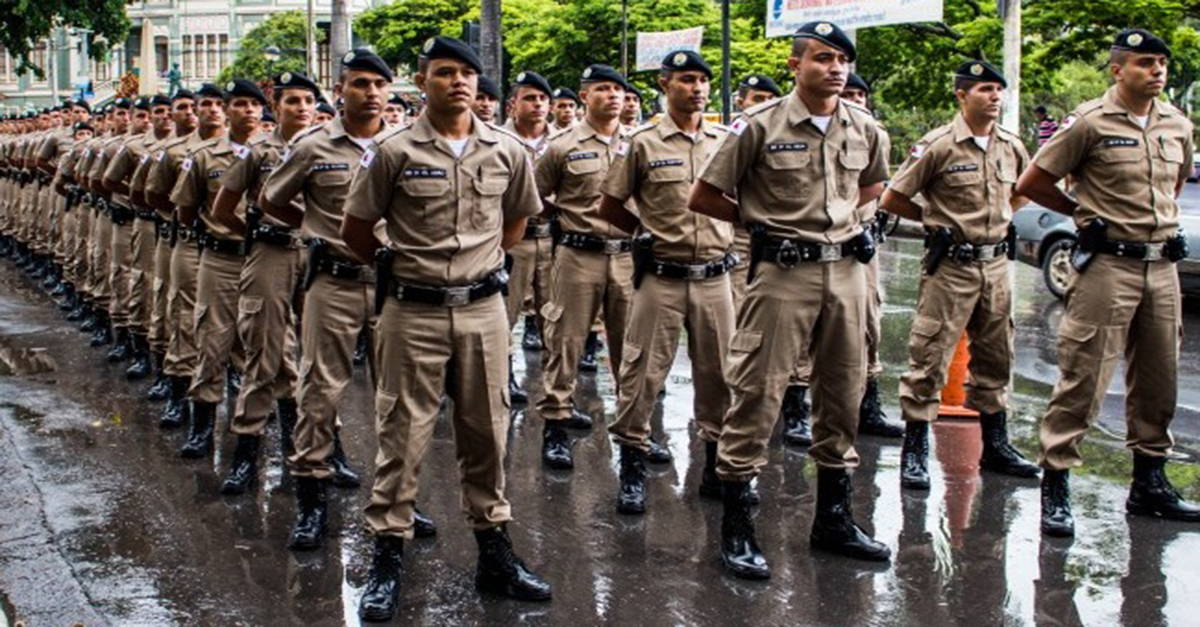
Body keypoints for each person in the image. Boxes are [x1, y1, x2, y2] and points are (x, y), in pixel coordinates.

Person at [341, 35, 552, 619]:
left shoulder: (506, 150)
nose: (458, 82)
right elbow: (359, 232)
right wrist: (407, 265)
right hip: (412, 310)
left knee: (487, 430)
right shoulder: (391, 150)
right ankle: (388, 558)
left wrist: (475, 270)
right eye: (444, 73)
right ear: (423, 80)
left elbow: (515, 224)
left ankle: (495, 553)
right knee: (401, 434)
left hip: (484, 310)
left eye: (466, 73)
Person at [689, 21, 892, 576]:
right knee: (757, 392)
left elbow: (873, 186)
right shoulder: (758, 126)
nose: (835, 68)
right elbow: (704, 193)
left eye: (842, 60)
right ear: (795, 64)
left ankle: (833, 520)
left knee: (844, 391)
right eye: (823, 58)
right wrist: (760, 220)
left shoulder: (866, 127)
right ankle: (736, 524)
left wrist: (847, 223)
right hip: (783, 273)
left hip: (848, 271)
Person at [1015, 28, 1200, 537]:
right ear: (1118, 69)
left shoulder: (1177, 124)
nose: (1157, 70)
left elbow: (1175, 182)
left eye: (1161, 62)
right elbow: (1032, 183)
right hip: (1108, 266)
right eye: (1144, 62)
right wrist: (1085, 214)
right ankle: (1056, 482)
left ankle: (1150, 484)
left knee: (1159, 377)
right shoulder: (1089, 122)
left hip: (1161, 266)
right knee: (1085, 373)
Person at [260, 48, 435, 550]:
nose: (371, 93)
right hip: (333, 283)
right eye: (360, 84)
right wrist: (317, 232)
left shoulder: (403, 146)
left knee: (401, 398)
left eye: (380, 85)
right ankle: (311, 498)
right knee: (319, 391)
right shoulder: (314, 146)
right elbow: (272, 199)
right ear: (340, 90)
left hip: (391, 283)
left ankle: (401, 498)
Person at [881, 60, 1040, 491]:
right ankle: (916, 449)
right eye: (985, 89)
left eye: (998, 90)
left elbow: (1024, 188)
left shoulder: (1010, 144)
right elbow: (894, 197)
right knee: (930, 356)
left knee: (996, 355)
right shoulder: (938, 145)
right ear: (962, 95)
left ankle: (996, 446)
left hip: (995, 266)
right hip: (950, 267)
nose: (994, 97)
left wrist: (1002, 216)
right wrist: (934, 221)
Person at [600, 50, 735, 514]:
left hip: (716, 276)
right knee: (641, 374)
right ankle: (633, 468)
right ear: (664, 85)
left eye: (702, 80)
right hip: (662, 275)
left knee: (719, 375)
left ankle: (717, 467)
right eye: (685, 80)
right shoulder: (641, 141)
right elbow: (610, 204)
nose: (696, 88)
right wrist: (645, 233)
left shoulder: (725, 139)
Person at [210, 71, 317, 494]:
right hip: (270, 253)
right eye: (293, 101)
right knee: (264, 354)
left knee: (320, 361)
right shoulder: (257, 152)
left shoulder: (327, 147)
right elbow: (223, 208)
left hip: (315, 254)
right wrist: (257, 233)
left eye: (309, 101)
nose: (303, 109)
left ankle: (323, 450)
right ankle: (247, 454)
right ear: (277, 105)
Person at [535, 64, 634, 470]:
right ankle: (555, 427)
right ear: (584, 97)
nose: (613, 96)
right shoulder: (561, 145)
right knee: (566, 343)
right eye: (603, 89)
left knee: (631, 348)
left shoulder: (639, 142)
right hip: (578, 255)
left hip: (627, 256)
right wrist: (566, 219)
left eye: (618, 90)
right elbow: (534, 195)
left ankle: (634, 435)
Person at [171, 79, 265, 459]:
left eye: (254, 105)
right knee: (212, 339)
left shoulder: (277, 153)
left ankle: (248, 425)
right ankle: (202, 427)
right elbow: (186, 208)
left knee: (261, 344)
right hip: (221, 257)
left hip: (264, 258)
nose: (248, 111)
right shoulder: (206, 156)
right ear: (227, 111)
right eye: (239, 104)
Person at [146, 85, 224, 430]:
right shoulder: (177, 152)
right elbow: (151, 193)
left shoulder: (249, 150)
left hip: (239, 249)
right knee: (185, 317)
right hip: (192, 243)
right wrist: (184, 222)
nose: (206, 110)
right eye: (200, 104)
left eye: (215, 104)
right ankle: (181, 397)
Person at [838, 73, 904, 439]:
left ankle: (868, 405)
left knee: (868, 324)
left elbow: (879, 185)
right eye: (848, 94)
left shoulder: (875, 134)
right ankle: (797, 406)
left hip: (860, 243)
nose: (855, 100)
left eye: (860, 94)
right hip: (813, 241)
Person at [102, 94, 174, 380]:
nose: (164, 117)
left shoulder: (187, 147)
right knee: (141, 284)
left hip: (177, 228)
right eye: (151, 113)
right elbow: (105, 180)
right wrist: (130, 203)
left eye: (171, 111)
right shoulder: (132, 147)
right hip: (140, 223)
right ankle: (138, 349)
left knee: (174, 296)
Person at [500, 70, 555, 403]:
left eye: (542, 99)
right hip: (512, 240)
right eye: (529, 98)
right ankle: (503, 379)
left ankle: (557, 392)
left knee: (556, 319)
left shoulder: (565, 139)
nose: (537, 105)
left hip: (551, 240)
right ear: (512, 105)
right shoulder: (496, 141)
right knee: (503, 314)